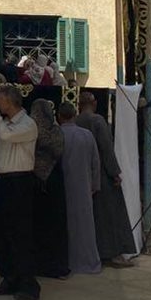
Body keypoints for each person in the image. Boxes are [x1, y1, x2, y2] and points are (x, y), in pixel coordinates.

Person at [0, 84, 41, 300]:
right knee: (2, 231)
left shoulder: (27, 124)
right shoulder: (6, 123)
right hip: (2, 181)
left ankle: (28, 284)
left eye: (0, 100)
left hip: (19, 183)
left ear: (10, 101)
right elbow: (0, 145)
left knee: (20, 233)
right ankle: (10, 277)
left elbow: (6, 136)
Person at [76, 92, 136, 267]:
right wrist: (114, 172)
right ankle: (113, 253)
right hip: (102, 174)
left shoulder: (76, 121)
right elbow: (106, 149)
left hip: (83, 174)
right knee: (110, 215)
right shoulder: (97, 121)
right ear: (94, 103)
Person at [58, 101, 102, 275]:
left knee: (64, 226)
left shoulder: (57, 135)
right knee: (84, 227)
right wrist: (94, 185)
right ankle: (88, 262)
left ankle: (66, 262)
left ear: (59, 117)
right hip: (83, 187)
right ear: (74, 115)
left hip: (62, 188)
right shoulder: (87, 135)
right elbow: (95, 163)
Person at [29, 98, 70, 279]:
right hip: (43, 183)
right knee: (44, 225)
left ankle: (51, 265)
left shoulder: (48, 131)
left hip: (45, 182)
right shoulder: (50, 131)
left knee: (48, 225)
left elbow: (55, 149)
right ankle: (43, 264)